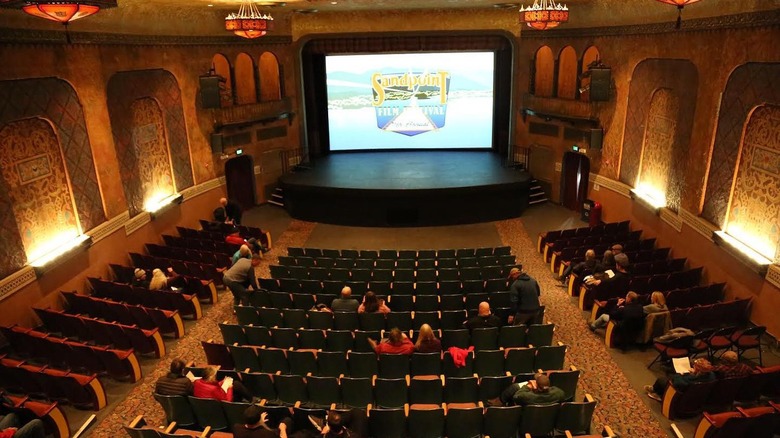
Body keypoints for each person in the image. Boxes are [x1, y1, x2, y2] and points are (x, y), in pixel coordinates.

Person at [644, 358, 715, 402]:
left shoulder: (692, 379)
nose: (693, 366)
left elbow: (677, 383)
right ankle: (656, 389)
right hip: (696, 392)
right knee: (669, 376)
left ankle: (659, 394)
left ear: (698, 370)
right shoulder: (711, 375)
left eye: (694, 366)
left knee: (661, 380)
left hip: (681, 390)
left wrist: (682, 374)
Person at [499, 373, 566, 406]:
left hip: (526, 420)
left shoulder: (527, 397)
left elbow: (516, 396)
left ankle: (500, 402)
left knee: (514, 387)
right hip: (546, 421)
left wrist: (528, 386)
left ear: (536, 385)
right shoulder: (559, 394)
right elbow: (561, 394)